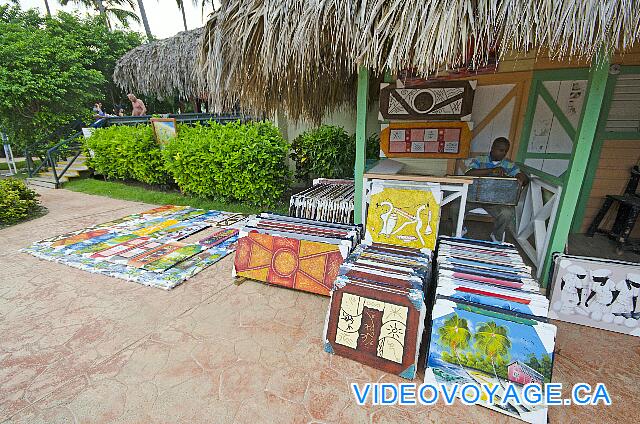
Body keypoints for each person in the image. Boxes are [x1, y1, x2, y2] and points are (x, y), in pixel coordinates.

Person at [456, 137, 529, 242]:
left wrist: (521, 178)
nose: (503, 153)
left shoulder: (509, 164)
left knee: (507, 213)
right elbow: (469, 173)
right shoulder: (480, 159)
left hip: (496, 202)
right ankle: (460, 230)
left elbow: (523, 178)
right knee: (455, 207)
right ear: (493, 148)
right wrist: (492, 170)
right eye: (500, 150)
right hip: (474, 198)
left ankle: (496, 236)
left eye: (505, 151)